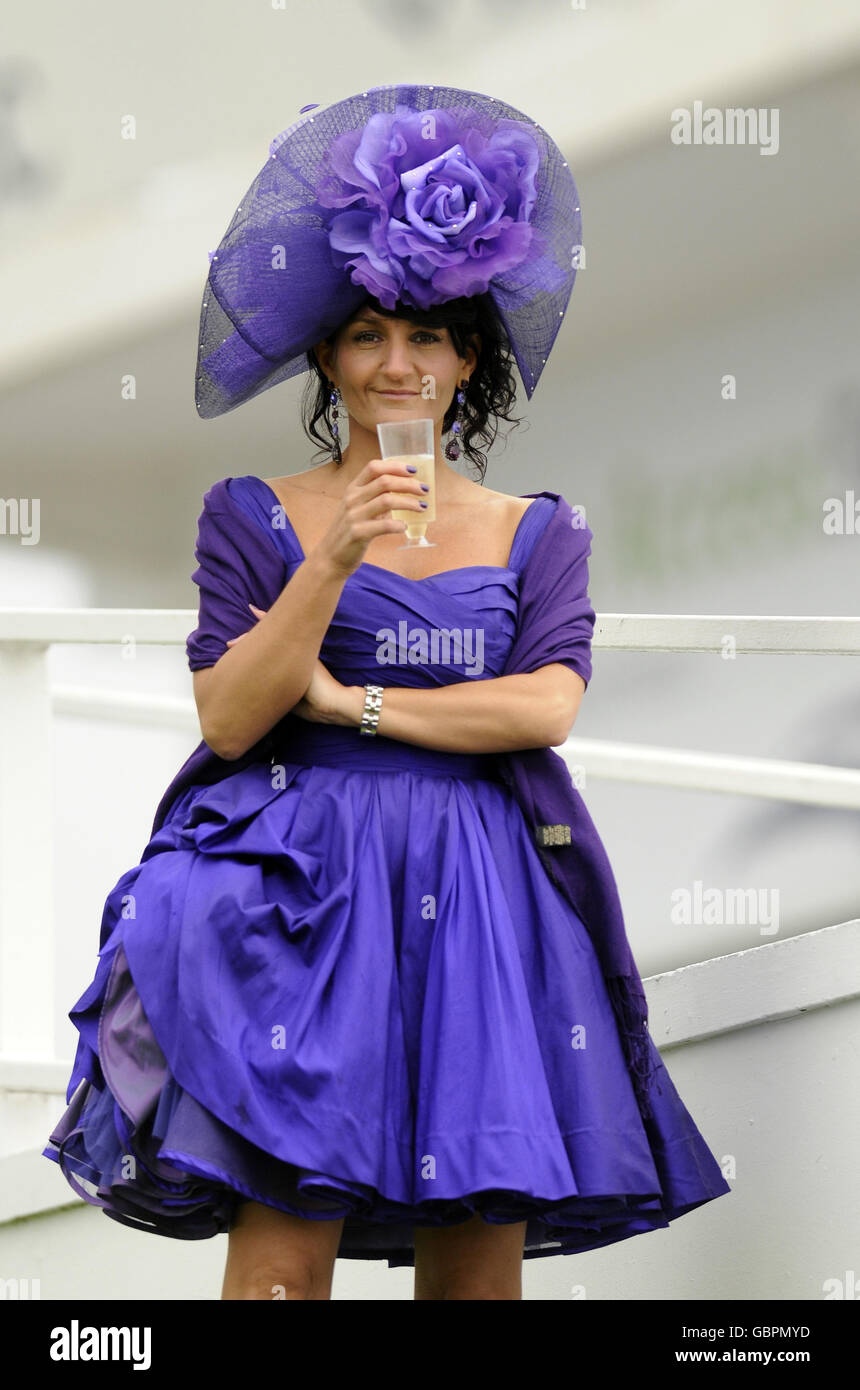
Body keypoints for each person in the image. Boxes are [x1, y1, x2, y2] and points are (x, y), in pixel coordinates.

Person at [42, 84, 730, 1301]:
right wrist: (334, 557)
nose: (396, 365)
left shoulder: (536, 529)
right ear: (326, 355)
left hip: (483, 890)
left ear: (469, 361)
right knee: (279, 1260)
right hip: (298, 902)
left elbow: (541, 710)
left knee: (474, 1267)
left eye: (426, 337)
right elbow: (228, 715)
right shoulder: (252, 516)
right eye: (368, 336)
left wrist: (350, 704)